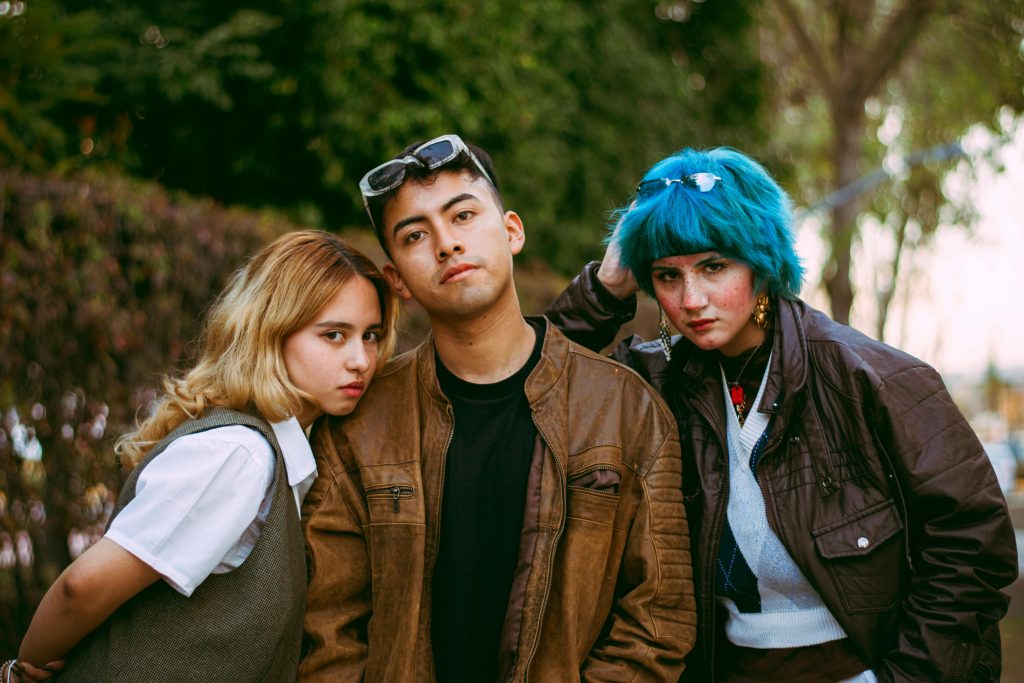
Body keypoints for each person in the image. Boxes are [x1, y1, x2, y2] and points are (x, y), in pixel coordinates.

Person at [546, 146, 1019, 682]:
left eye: (713, 266)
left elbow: (972, 548)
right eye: (666, 275)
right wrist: (605, 289)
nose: (691, 299)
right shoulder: (655, 381)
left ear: (762, 262)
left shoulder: (872, 378)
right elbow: (536, 394)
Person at [300, 134, 696, 682]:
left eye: (463, 215)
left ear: (512, 231)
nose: (446, 244)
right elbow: (329, 632)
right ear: (397, 280)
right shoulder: (360, 423)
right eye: (415, 235)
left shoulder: (627, 410)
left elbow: (658, 620)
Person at [5, 230, 397, 683]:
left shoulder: (275, 451)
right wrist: (19, 674)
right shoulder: (240, 455)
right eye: (334, 335)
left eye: (371, 336)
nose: (361, 360)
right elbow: (80, 588)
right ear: (272, 332)